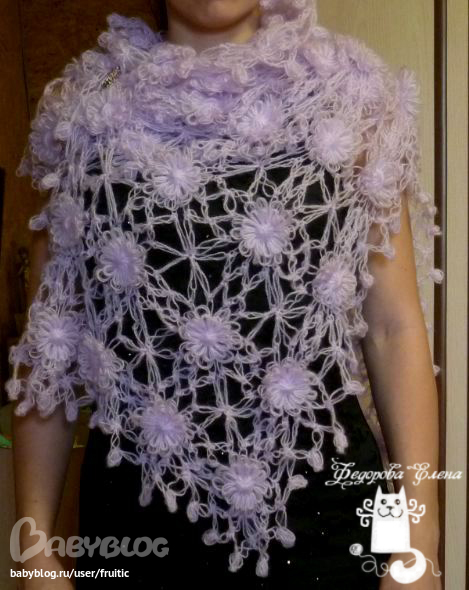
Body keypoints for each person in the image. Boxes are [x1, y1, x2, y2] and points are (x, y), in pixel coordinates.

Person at [7, 1, 442, 589]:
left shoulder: (353, 102)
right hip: (136, 530)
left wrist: (419, 537)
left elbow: (393, 329)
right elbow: (51, 346)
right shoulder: (84, 117)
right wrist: (34, 549)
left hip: (331, 524)